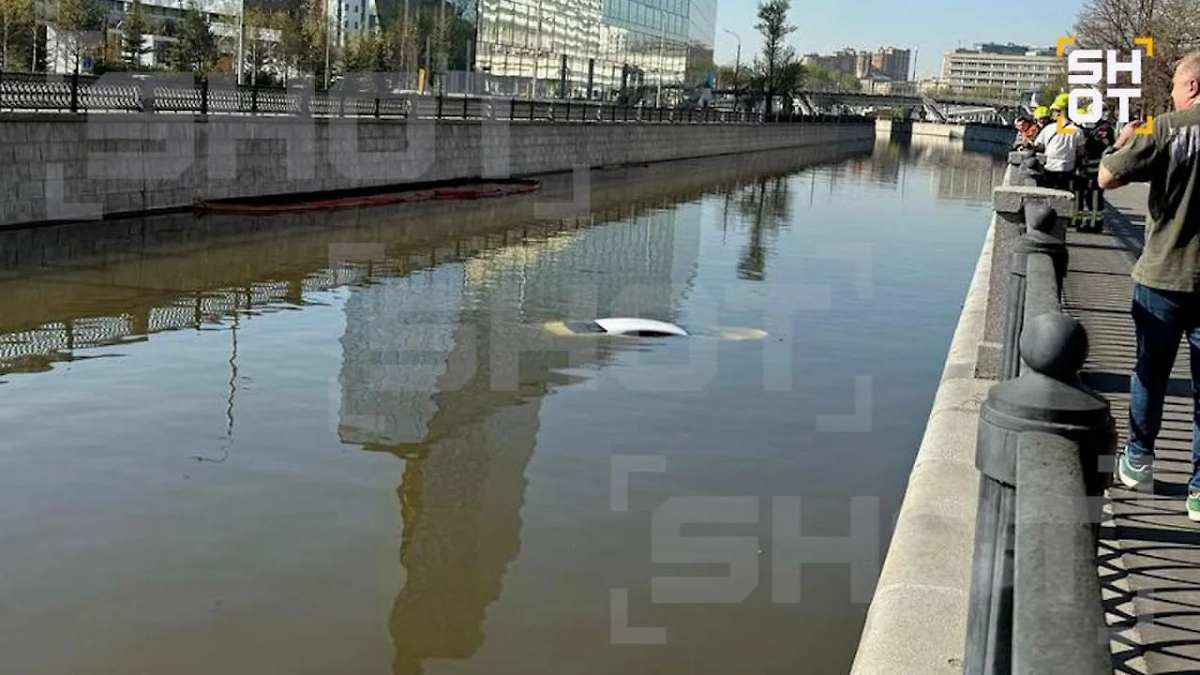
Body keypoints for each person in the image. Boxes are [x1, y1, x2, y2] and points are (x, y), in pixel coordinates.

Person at [1100, 51, 1200, 518]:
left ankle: (1138, 460)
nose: (1173, 96)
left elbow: (1108, 178)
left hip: (1162, 275)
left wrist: (1120, 141)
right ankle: (1199, 490)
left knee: (1149, 373)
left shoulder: (1164, 128)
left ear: (1193, 87)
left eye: (1177, 88)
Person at [1033, 94, 1084, 191]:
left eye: (1055, 111)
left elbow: (1038, 146)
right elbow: (1081, 152)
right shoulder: (1077, 131)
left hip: (1049, 168)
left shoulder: (1049, 129)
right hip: (1067, 169)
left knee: (1048, 195)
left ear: (1060, 112)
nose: (1053, 114)